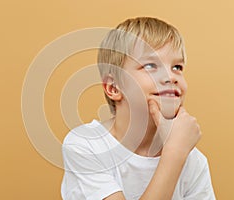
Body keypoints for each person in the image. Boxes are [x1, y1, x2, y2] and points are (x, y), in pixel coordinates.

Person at [61, 17, 216, 200]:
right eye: (150, 66)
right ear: (114, 88)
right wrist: (174, 153)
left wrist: (178, 151)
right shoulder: (85, 145)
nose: (170, 76)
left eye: (177, 67)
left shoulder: (193, 161)